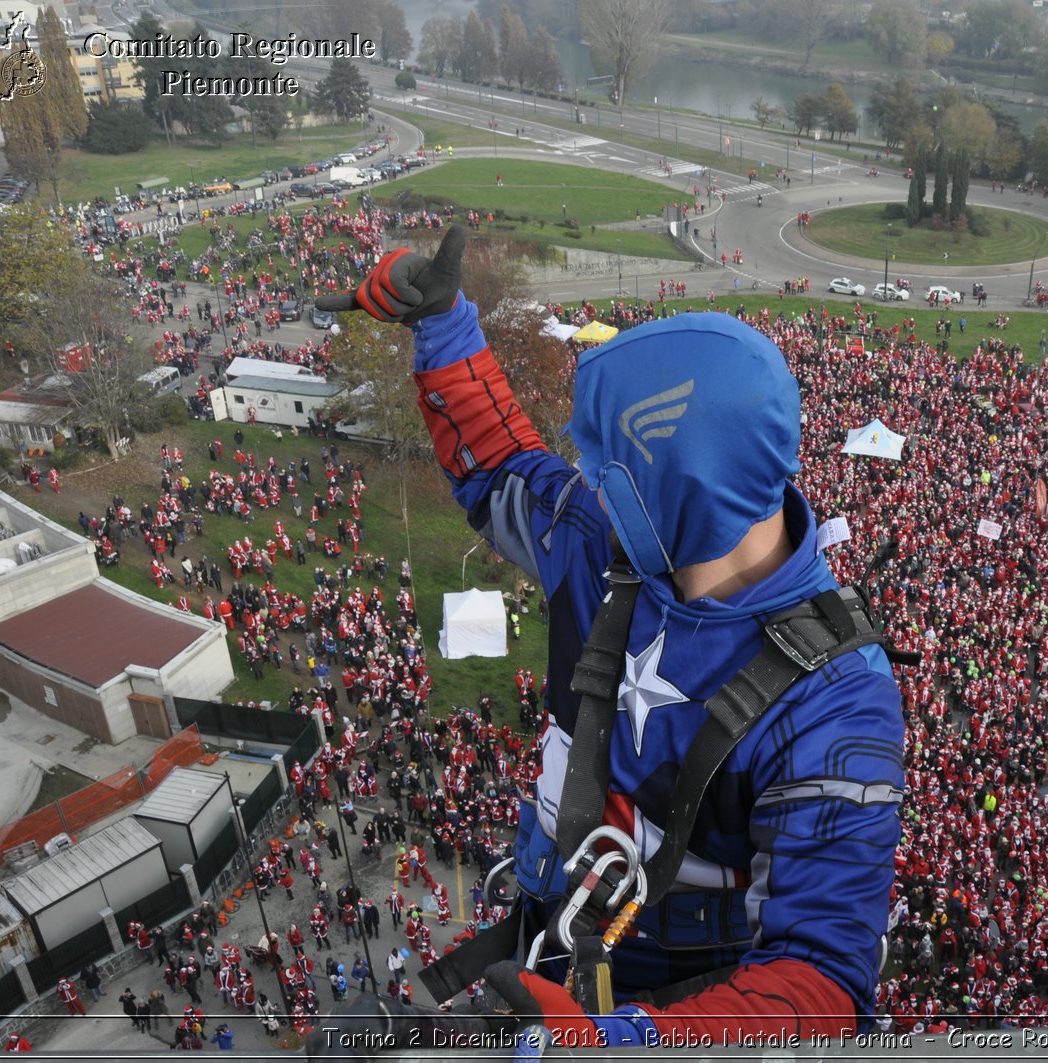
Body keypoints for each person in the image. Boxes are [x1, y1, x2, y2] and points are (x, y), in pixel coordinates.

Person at [314, 228, 906, 1047]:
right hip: (550, 931)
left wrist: (625, 1043)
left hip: (677, 1002)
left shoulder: (838, 700)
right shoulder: (610, 543)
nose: (585, 480)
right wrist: (445, 326)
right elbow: (499, 464)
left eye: (605, 465)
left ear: (681, 487)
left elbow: (823, 982)